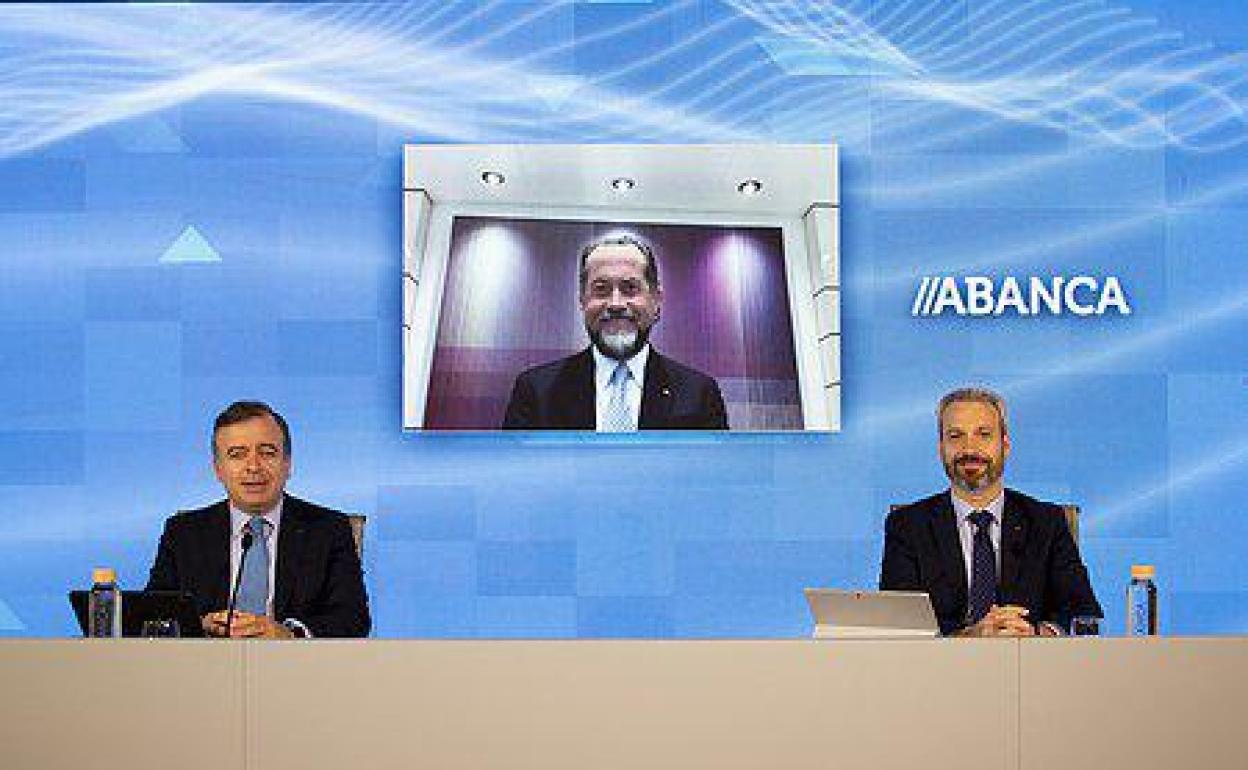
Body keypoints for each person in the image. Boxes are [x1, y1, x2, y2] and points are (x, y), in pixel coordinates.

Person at [879, 387, 1101, 636]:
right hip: (939, 671)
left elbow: (1084, 613)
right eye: (955, 436)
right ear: (941, 448)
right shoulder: (907, 526)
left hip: (1032, 668)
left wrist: (1036, 634)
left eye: (983, 434)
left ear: (1005, 445)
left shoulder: (1046, 522)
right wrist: (972, 636)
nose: (969, 448)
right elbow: (898, 628)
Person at [146, 401, 370, 638]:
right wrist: (198, 624)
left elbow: (353, 620)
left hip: (298, 668)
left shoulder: (328, 530)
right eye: (237, 455)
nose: (253, 466)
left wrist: (289, 634)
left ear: (287, 464)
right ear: (217, 469)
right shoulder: (184, 533)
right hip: (204, 669)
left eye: (267, 452)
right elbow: (152, 617)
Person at [502, 235, 728, 430]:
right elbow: (515, 474)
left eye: (630, 288)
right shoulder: (536, 390)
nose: (616, 303)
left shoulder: (699, 394)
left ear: (656, 301)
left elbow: (717, 477)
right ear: (582, 301)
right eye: (601, 290)